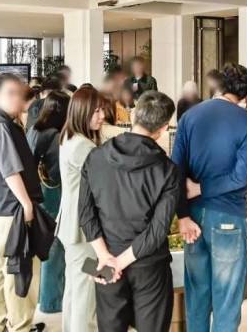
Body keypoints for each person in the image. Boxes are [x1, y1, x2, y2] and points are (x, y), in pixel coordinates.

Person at [79, 90, 180, 332]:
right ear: (164, 128)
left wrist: (106, 258)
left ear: (134, 115)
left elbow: (85, 213)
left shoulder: (96, 156)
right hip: (149, 266)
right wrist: (119, 262)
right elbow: (157, 231)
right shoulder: (167, 170)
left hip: (107, 259)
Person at [173, 63, 247, 332]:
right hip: (228, 217)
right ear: (245, 95)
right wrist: (203, 188)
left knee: (197, 295)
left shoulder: (189, 117)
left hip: (193, 218)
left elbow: (175, 171)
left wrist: (182, 215)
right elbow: (239, 177)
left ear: (219, 86)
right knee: (227, 300)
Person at [0, 73, 45, 332]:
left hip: (1, 210)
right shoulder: (2, 126)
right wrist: (27, 205)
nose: (18, 98)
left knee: (0, 269)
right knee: (20, 271)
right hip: (12, 211)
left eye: (19, 92)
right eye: (11, 93)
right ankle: (20, 326)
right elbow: (10, 171)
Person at [57, 87, 105, 332]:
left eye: (102, 110)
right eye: (96, 111)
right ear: (81, 112)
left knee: (76, 290)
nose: (102, 116)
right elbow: (105, 182)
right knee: (85, 296)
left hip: (72, 228)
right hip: (83, 231)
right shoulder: (82, 147)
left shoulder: (70, 138)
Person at [27, 90, 70, 314]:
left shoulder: (34, 129)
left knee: (43, 246)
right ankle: (51, 300)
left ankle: (41, 296)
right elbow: (59, 170)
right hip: (53, 195)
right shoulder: (54, 136)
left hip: (37, 194)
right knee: (55, 248)